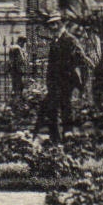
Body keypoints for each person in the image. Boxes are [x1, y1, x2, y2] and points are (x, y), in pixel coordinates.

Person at [38, 13, 87, 142]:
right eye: (50, 25)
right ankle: (54, 136)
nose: (52, 27)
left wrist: (73, 77)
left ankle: (67, 134)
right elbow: (51, 64)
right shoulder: (55, 41)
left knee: (66, 106)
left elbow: (79, 59)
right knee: (52, 108)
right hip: (54, 82)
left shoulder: (70, 40)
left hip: (66, 81)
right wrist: (49, 81)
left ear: (60, 24)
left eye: (54, 24)